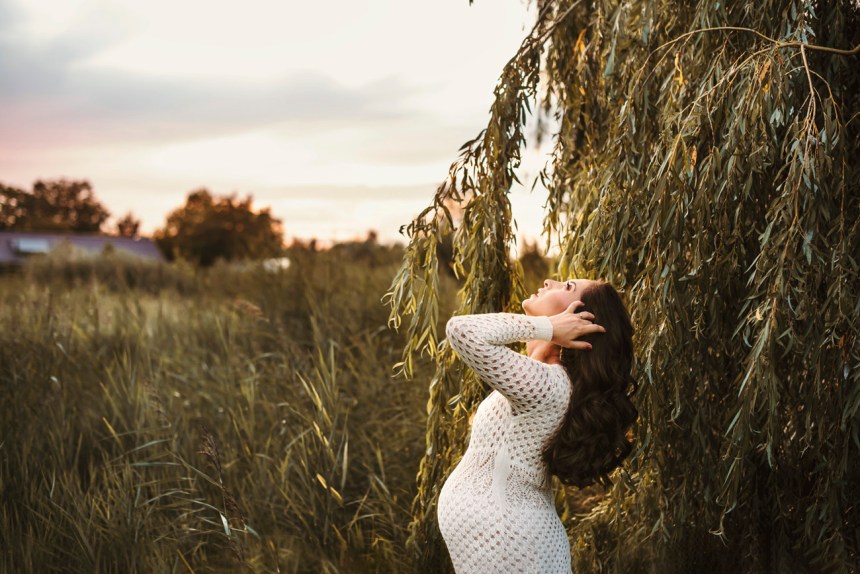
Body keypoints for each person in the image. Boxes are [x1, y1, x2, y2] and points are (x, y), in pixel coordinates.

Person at [436, 278, 638, 573]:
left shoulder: (548, 385)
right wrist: (547, 334)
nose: (549, 280)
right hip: (511, 542)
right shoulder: (546, 378)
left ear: (578, 318)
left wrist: (549, 328)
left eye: (567, 286)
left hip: (513, 543)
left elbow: (461, 331)